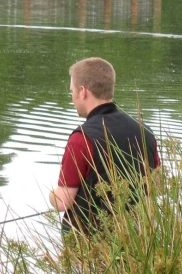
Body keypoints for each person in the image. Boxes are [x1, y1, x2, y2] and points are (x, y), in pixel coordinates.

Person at [49, 57, 160, 234]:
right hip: (137, 236)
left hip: (89, 242)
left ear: (83, 91)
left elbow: (63, 202)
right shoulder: (145, 131)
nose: (72, 97)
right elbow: (157, 185)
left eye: (72, 91)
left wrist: (52, 196)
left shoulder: (81, 138)